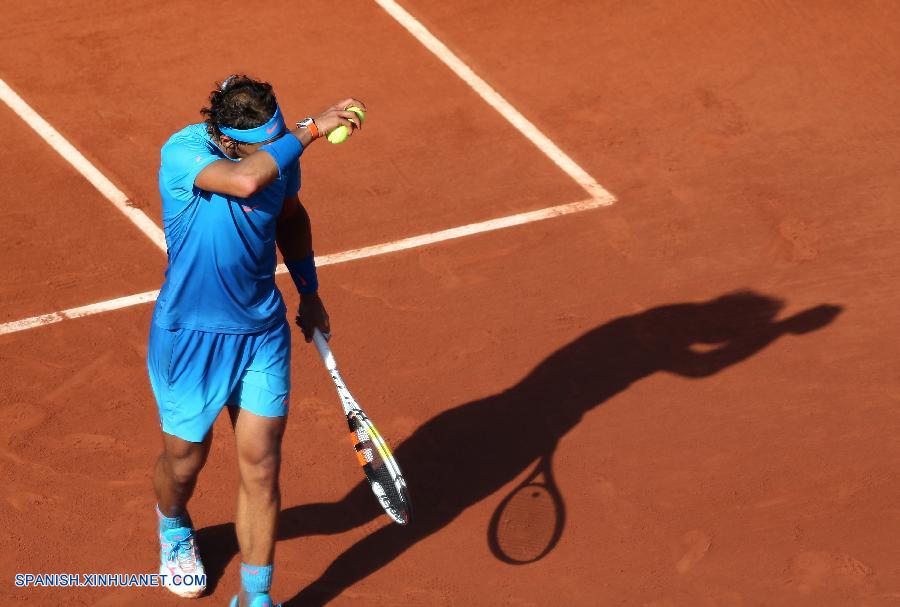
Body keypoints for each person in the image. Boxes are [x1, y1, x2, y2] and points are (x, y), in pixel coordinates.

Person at [146, 74, 365, 607]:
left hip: (261, 334)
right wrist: (311, 130)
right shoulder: (183, 154)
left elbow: (291, 219)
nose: (278, 153)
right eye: (268, 145)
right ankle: (173, 526)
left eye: (279, 141)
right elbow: (246, 182)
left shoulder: (276, 156)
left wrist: (310, 292)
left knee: (262, 463)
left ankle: (255, 596)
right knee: (184, 461)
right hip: (191, 338)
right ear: (226, 139)